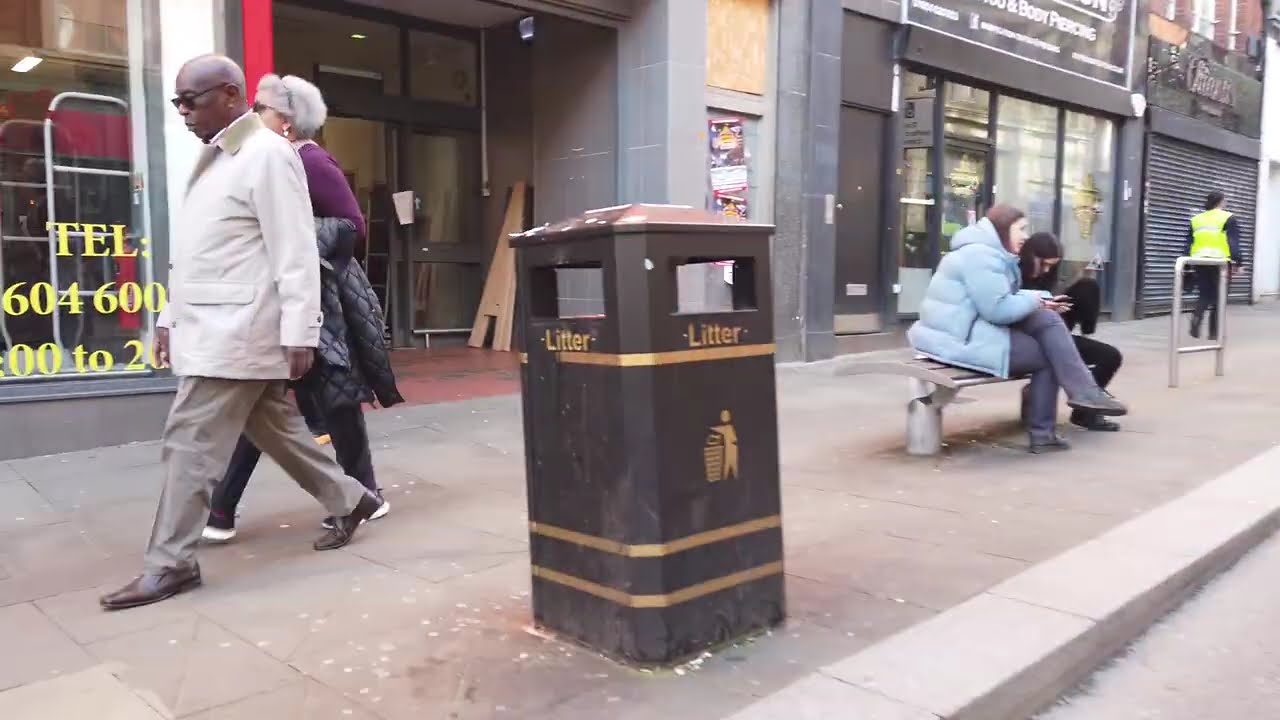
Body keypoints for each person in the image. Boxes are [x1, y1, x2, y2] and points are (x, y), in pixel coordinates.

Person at [99, 55, 382, 612]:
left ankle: (171, 562)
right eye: (178, 101)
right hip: (216, 326)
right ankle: (351, 500)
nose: (183, 111)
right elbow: (203, 255)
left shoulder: (268, 155)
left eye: (191, 100)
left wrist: (302, 331)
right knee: (276, 430)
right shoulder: (218, 156)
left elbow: (295, 250)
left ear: (230, 95)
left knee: (188, 441)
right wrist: (169, 317)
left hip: (237, 331)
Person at [202, 74, 401, 543]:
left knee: (330, 401)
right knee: (266, 404)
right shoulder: (267, 158)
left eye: (262, 108)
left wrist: (289, 236)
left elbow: (353, 226)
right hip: (284, 297)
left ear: (287, 121)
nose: (253, 114)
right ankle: (223, 510)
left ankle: (361, 493)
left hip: (322, 300)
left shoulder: (310, 160)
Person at [908, 205, 1128, 454]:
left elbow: (1003, 299)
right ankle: (1052, 425)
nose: (1025, 235)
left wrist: (1042, 300)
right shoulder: (981, 256)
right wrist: (1036, 300)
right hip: (955, 338)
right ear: (1002, 229)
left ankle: (1082, 394)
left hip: (971, 329)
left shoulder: (990, 253)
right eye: (1020, 229)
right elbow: (997, 310)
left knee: (1047, 320)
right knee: (1049, 353)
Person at [1020, 232, 1123, 432]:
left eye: (1052, 266)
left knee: (1110, 355)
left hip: (1051, 329)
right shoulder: (1012, 271)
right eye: (1044, 264)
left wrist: (1052, 306)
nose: (1047, 270)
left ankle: (1084, 413)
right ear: (1031, 256)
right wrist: (1039, 306)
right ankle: (1038, 395)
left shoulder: (1046, 276)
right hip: (1026, 335)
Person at [1184, 190, 1243, 340]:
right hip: (1220, 262)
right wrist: (1238, 262)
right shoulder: (1228, 217)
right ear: (1221, 202)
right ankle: (1214, 333)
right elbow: (1233, 242)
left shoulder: (1196, 219)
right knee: (1220, 296)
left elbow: (1188, 244)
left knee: (1204, 294)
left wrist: (1187, 264)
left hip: (1199, 261)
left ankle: (1195, 322)